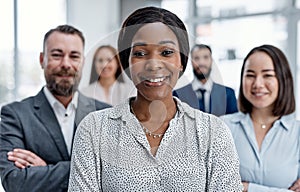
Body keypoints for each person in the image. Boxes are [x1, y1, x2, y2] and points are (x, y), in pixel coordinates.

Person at [68, 6, 242, 191]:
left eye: (166, 52)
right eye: (140, 53)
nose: (153, 64)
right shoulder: (94, 130)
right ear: (127, 63)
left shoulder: (213, 132)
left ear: (182, 62)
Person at [0, 25, 111, 192]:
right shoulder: (15, 115)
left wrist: (45, 170)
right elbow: (14, 181)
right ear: (42, 60)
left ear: (82, 63)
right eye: (57, 55)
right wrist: (90, 169)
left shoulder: (106, 114)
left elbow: (117, 176)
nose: (66, 64)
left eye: (74, 56)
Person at [221, 44, 300, 192]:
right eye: (250, 75)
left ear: (283, 80)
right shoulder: (222, 127)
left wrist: (246, 187)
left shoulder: (297, 133)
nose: (257, 84)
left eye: (268, 75)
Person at [173, 44, 238, 116]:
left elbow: (233, 125)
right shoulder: (178, 95)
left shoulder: (228, 94)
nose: (201, 63)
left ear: (212, 60)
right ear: (191, 62)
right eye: (196, 58)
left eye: (206, 57)